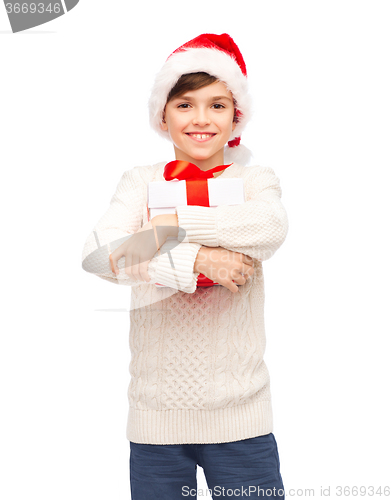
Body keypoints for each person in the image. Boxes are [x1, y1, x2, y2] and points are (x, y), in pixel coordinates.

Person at [81, 33, 289, 499]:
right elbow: (100, 254)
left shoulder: (254, 180)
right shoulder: (141, 181)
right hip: (157, 420)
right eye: (184, 105)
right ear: (163, 114)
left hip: (241, 418)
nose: (200, 120)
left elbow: (270, 227)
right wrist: (196, 257)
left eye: (217, 106)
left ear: (236, 117)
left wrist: (172, 223)